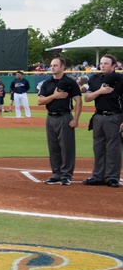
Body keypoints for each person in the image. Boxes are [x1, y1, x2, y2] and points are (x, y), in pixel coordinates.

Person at [36, 56, 82, 185]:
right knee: (53, 147)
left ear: (62, 67)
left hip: (65, 117)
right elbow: (39, 101)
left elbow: (78, 101)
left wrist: (76, 119)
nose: (52, 67)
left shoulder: (70, 82)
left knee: (66, 147)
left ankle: (66, 175)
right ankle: (56, 173)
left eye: (55, 65)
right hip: (50, 117)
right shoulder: (47, 83)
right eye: (51, 65)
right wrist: (54, 96)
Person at [82, 54, 122, 188]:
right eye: (101, 63)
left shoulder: (121, 79)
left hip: (115, 116)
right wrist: (100, 91)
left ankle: (112, 177)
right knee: (98, 147)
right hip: (98, 116)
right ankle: (98, 176)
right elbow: (87, 98)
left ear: (113, 66)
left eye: (106, 63)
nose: (102, 65)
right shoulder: (95, 78)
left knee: (113, 148)